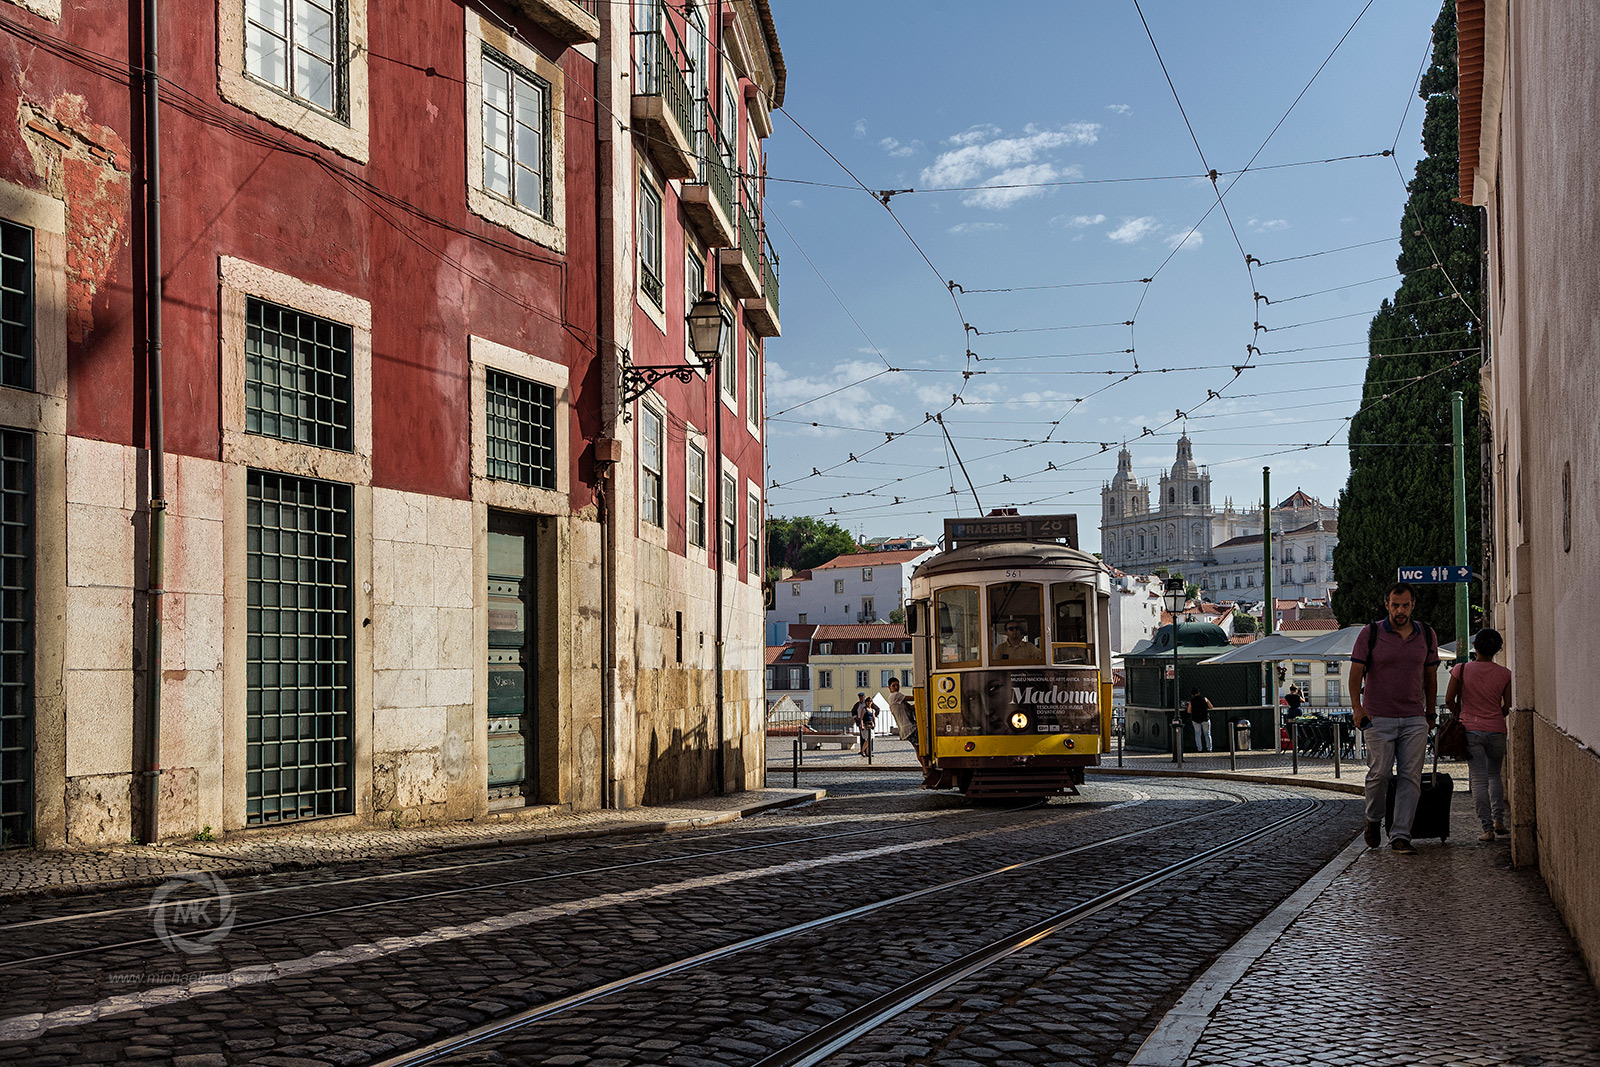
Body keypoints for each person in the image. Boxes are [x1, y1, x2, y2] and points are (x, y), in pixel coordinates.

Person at [1349, 582, 1440, 855]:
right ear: (1387, 604)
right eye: (1395, 605)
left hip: (1414, 717)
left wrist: (1430, 712)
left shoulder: (1426, 634)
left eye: (1406, 605)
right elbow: (1355, 675)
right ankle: (1374, 819)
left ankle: (1400, 834)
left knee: (1410, 777)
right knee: (1380, 774)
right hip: (1378, 717)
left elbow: (1430, 676)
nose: (1400, 611)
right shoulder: (1371, 633)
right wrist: (1357, 707)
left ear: (1413, 605)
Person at [1444, 628, 1512, 842]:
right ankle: (1499, 820)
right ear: (1498, 649)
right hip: (1497, 730)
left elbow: (1449, 699)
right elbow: (1507, 705)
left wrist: (1462, 714)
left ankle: (1487, 829)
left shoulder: (1460, 669)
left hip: (1470, 730)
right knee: (1495, 775)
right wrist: (1495, 715)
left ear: (1475, 647)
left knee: (1479, 779)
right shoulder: (1505, 673)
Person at [884, 678, 925, 769]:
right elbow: (914, 698)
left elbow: (910, 708)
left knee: (918, 750)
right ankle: (926, 769)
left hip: (906, 730)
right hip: (910, 728)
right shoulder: (895, 695)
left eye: (897, 685)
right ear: (889, 687)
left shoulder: (898, 698)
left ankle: (925, 769)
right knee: (923, 750)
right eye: (893, 685)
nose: (896, 687)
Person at [1187, 688, 1214, 752]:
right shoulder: (1204, 699)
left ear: (1192, 695)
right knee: (1207, 734)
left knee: (1197, 734)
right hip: (1205, 718)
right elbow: (1211, 707)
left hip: (1196, 719)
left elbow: (1189, 711)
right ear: (1198, 693)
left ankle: (1199, 749)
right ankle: (1209, 748)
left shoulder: (1191, 701)